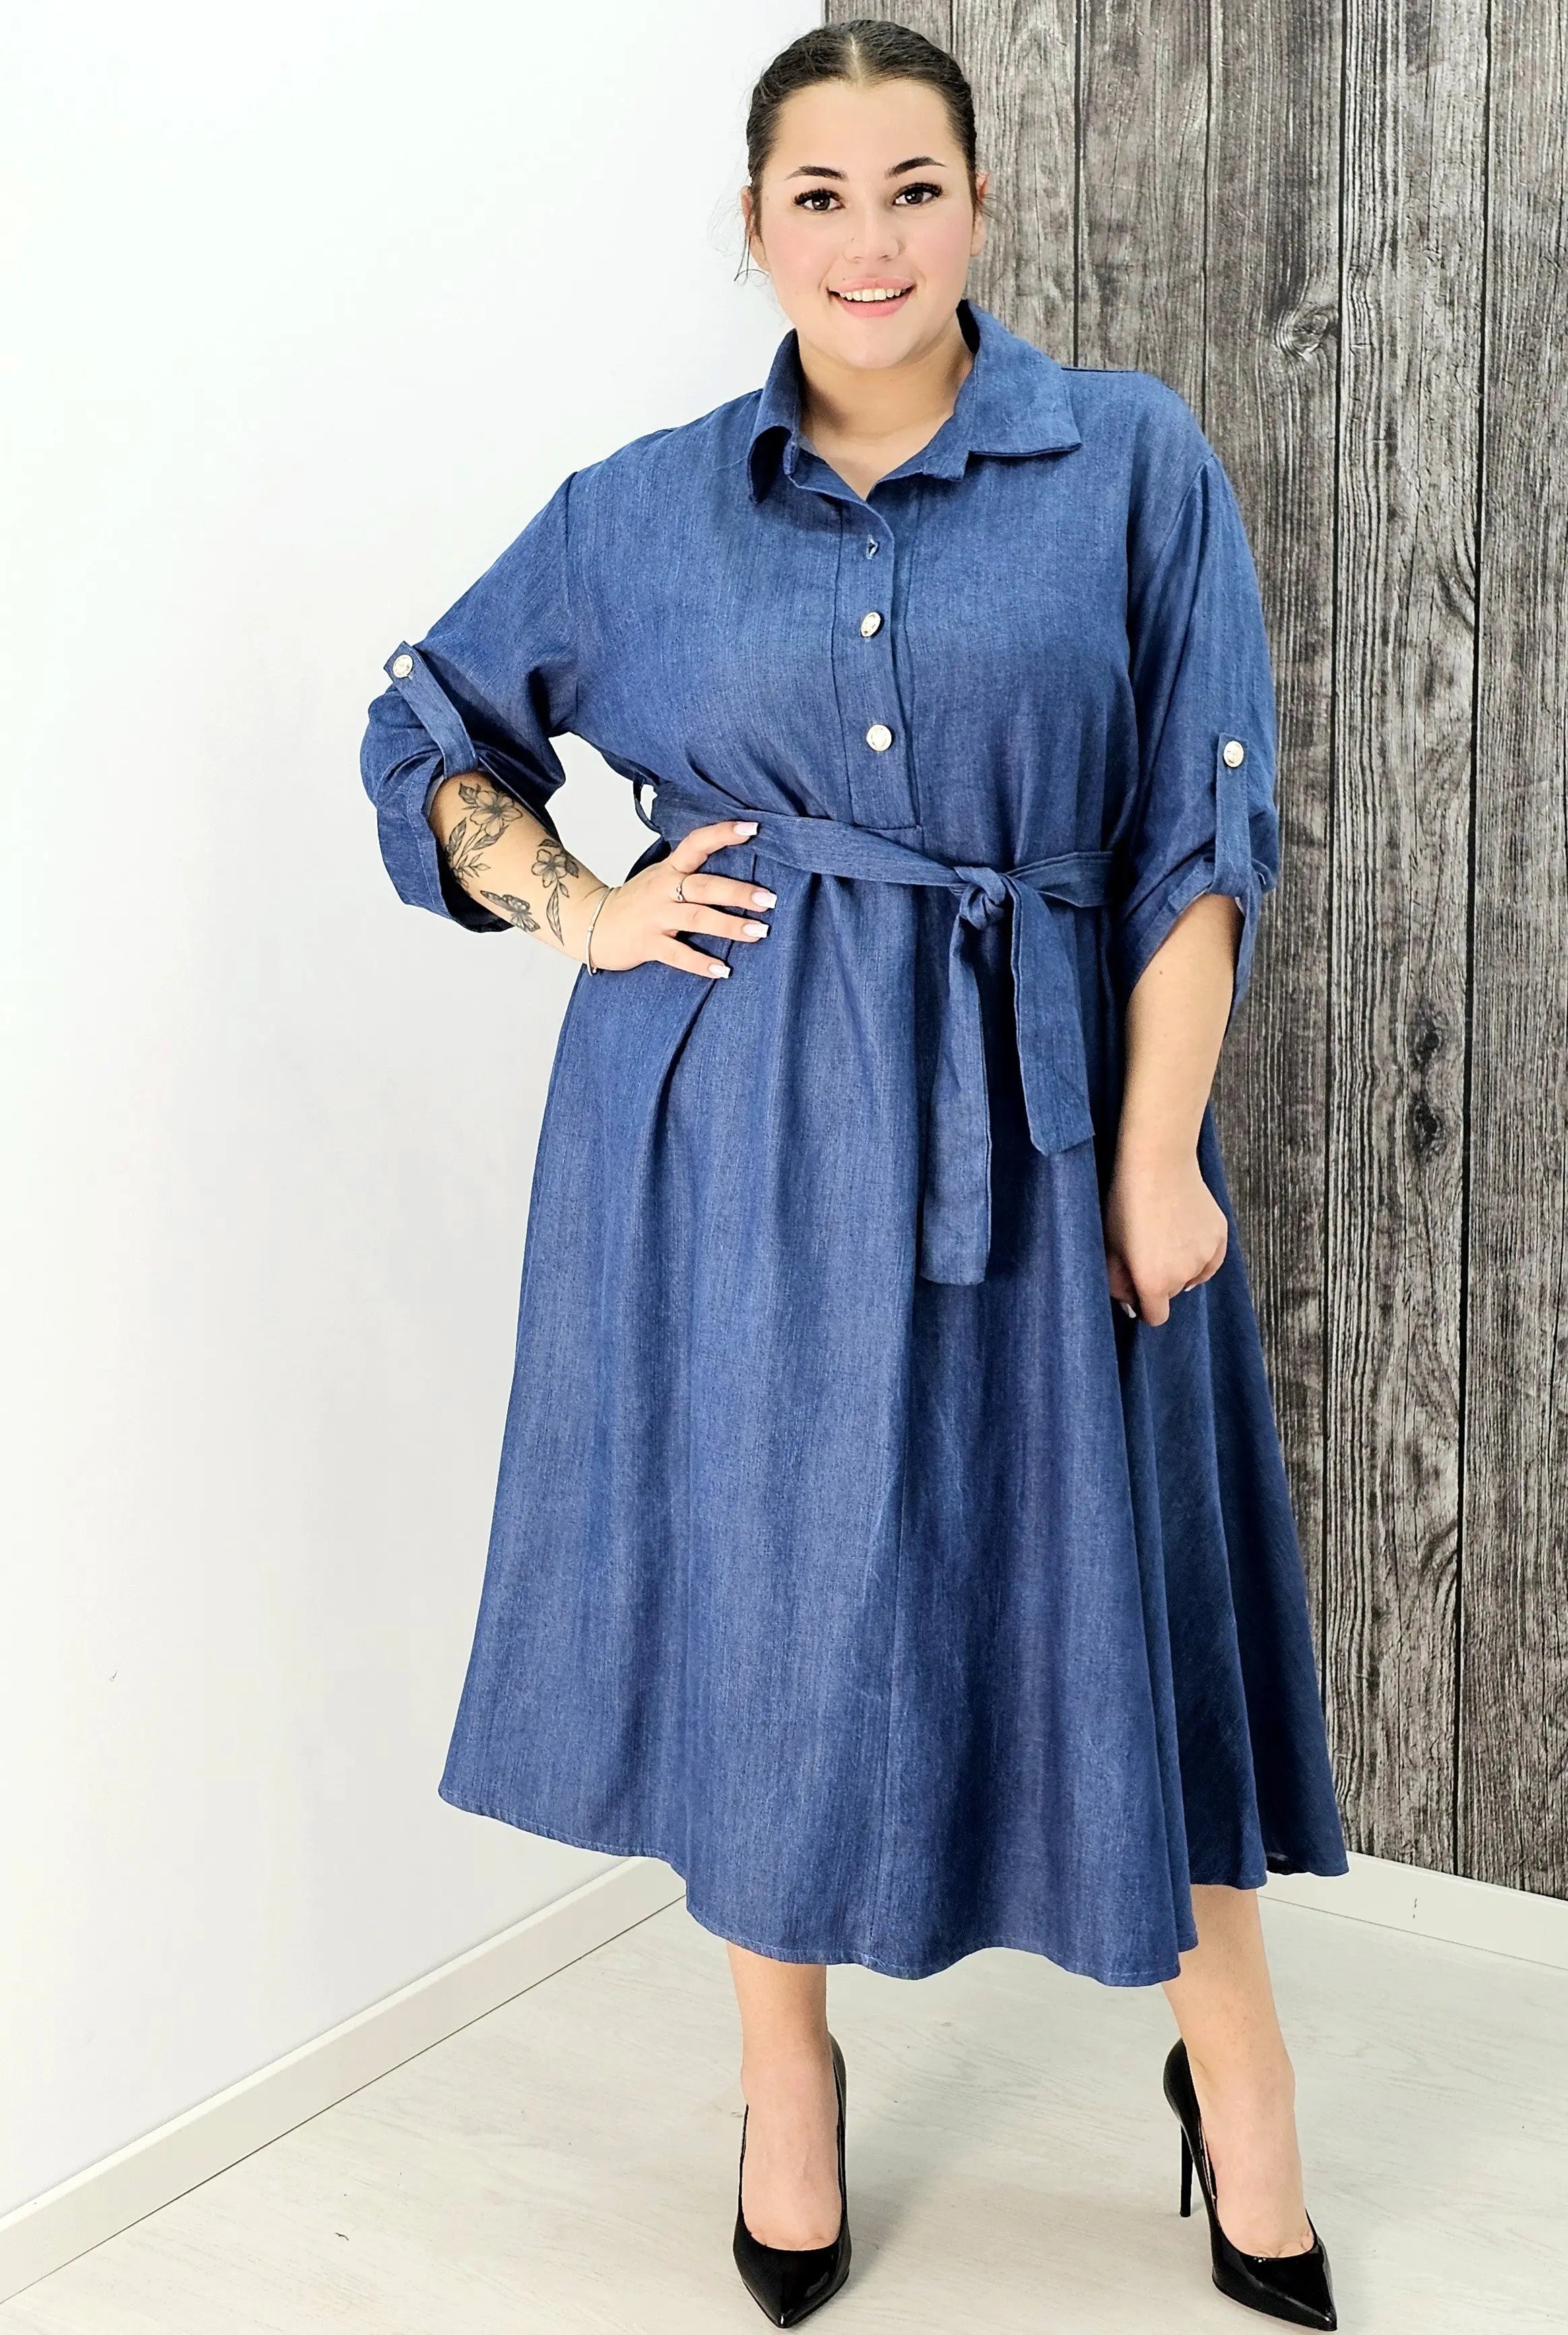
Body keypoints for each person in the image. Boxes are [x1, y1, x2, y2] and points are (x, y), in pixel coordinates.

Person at [360, 20, 1348, 2330]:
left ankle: (1242, 2085)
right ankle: (783, 2080)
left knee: (1125, 1601)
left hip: (1054, 1110)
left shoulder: (1130, 458)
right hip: (738, 1132)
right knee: (774, 1604)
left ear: (982, 207)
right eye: (822, 195)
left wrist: (1158, 1151)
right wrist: (577, 903)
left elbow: (1202, 833)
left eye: (915, 188)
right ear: (753, 227)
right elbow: (428, 725)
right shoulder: (642, 507)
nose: (872, 238)